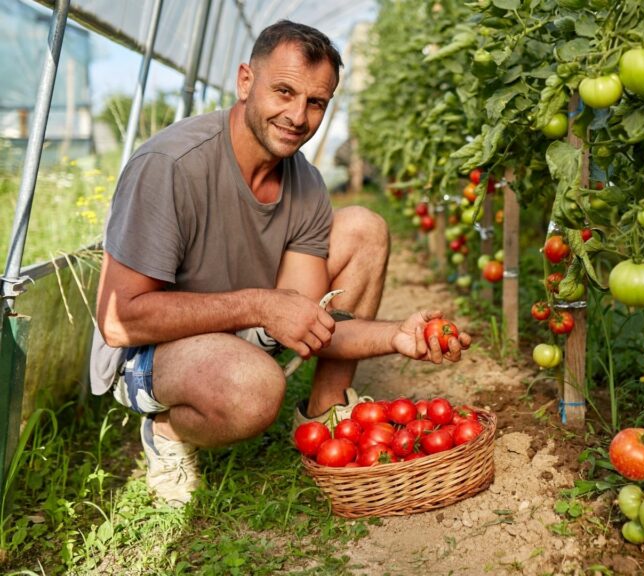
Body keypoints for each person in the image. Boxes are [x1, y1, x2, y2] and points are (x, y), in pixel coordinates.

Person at [89, 20, 470, 507]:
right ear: (246, 81)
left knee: (363, 226)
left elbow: (312, 319)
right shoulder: (172, 166)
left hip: (236, 332)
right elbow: (121, 322)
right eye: (284, 91)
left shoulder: (305, 183)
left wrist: (395, 335)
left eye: (316, 103)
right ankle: (167, 430)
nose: (297, 116)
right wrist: (261, 305)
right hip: (147, 354)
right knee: (254, 390)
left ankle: (326, 418)